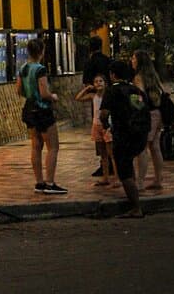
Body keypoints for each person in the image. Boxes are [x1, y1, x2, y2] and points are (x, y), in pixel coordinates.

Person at [99, 58, 151, 218]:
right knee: (128, 166)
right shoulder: (135, 90)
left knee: (124, 172)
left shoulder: (112, 91)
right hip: (139, 134)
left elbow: (104, 114)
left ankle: (136, 207)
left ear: (112, 75)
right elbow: (140, 109)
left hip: (123, 134)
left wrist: (106, 126)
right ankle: (133, 198)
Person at [16, 37, 67, 195]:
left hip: (29, 108)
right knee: (53, 146)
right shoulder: (40, 69)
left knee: (36, 145)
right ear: (41, 52)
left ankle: (39, 182)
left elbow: (19, 91)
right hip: (42, 109)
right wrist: (53, 96)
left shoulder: (23, 68)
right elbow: (44, 93)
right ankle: (50, 183)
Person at [131, 48, 165, 191]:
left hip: (148, 114)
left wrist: (132, 101)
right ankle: (158, 179)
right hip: (158, 112)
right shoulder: (153, 75)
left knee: (142, 148)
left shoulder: (139, 77)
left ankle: (140, 181)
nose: (131, 60)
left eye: (133, 58)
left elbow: (140, 98)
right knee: (155, 147)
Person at [75, 73, 116, 187]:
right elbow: (78, 98)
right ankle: (105, 177)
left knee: (111, 153)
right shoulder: (93, 96)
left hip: (106, 125)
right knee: (102, 154)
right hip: (96, 125)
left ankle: (117, 179)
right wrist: (87, 88)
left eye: (100, 81)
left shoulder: (109, 95)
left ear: (105, 83)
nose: (98, 83)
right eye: (96, 81)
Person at [82, 37, 112, 174]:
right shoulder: (108, 60)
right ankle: (111, 161)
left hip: (96, 98)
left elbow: (86, 84)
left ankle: (103, 163)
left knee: (99, 129)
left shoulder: (89, 63)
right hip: (109, 97)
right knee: (109, 129)